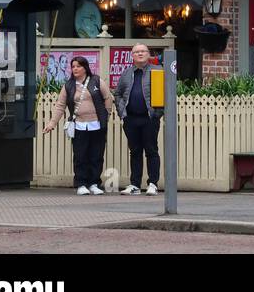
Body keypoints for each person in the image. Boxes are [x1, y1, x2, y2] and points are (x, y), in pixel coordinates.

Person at [42, 56, 115, 196]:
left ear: (85, 68)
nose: (75, 69)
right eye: (73, 66)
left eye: (78, 66)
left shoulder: (97, 81)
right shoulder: (68, 85)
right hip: (79, 125)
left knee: (96, 155)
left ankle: (94, 183)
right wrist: (52, 123)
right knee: (80, 155)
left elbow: (108, 98)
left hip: (97, 125)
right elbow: (60, 105)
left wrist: (107, 114)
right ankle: (81, 183)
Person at [113, 44, 163, 195]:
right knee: (134, 152)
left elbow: (165, 94)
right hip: (131, 119)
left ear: (148, 54)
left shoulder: (158, 71)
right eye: (136, 52)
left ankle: (153, 184)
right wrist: (122, 111)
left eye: (143, 51)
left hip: (149, 119)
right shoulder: (126, 73)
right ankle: (134, 184)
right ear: (132, 56)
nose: (140, 54)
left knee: (151, 151)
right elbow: (118, 93)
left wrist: (157, 114)